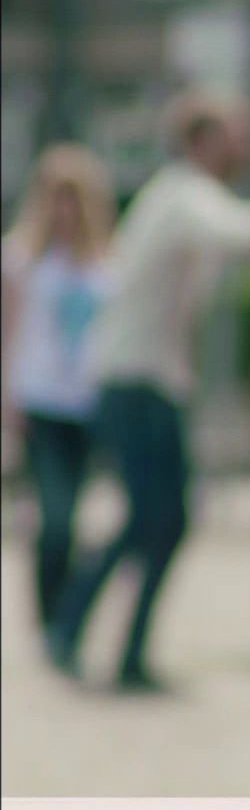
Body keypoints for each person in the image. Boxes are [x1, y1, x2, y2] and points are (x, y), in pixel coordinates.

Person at [48, 89, 250, 690]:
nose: (247, 146)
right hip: (136, 382)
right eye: (235, 135)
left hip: (143, 381)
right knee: (160, 517)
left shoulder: (180, 195)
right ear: (201, 141)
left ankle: (94, 640)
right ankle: (89, 639)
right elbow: (249, 229)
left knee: (157, 519)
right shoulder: (183, 195)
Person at [1, 144, 116, 641]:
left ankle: (66, 617)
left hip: (88, 403)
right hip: (40, 400)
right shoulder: (20, 259)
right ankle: (52, 618)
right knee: (55, 514)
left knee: (80, 515)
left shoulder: (104, 262)